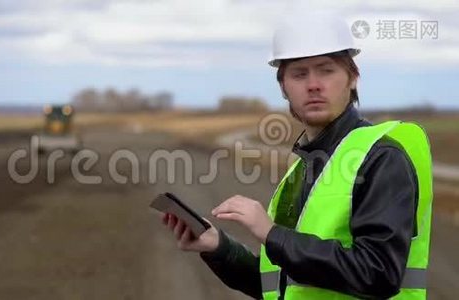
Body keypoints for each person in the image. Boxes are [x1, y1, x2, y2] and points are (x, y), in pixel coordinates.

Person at [161, 13, 432, 300]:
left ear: (352, 78)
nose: (313, 84)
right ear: (283, 88)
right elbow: (285, 285)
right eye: (299, 74)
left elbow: (378, 273)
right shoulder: (305, 167)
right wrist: (220, 248)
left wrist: (272, 234)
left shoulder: (381, 157)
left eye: (326, 70)